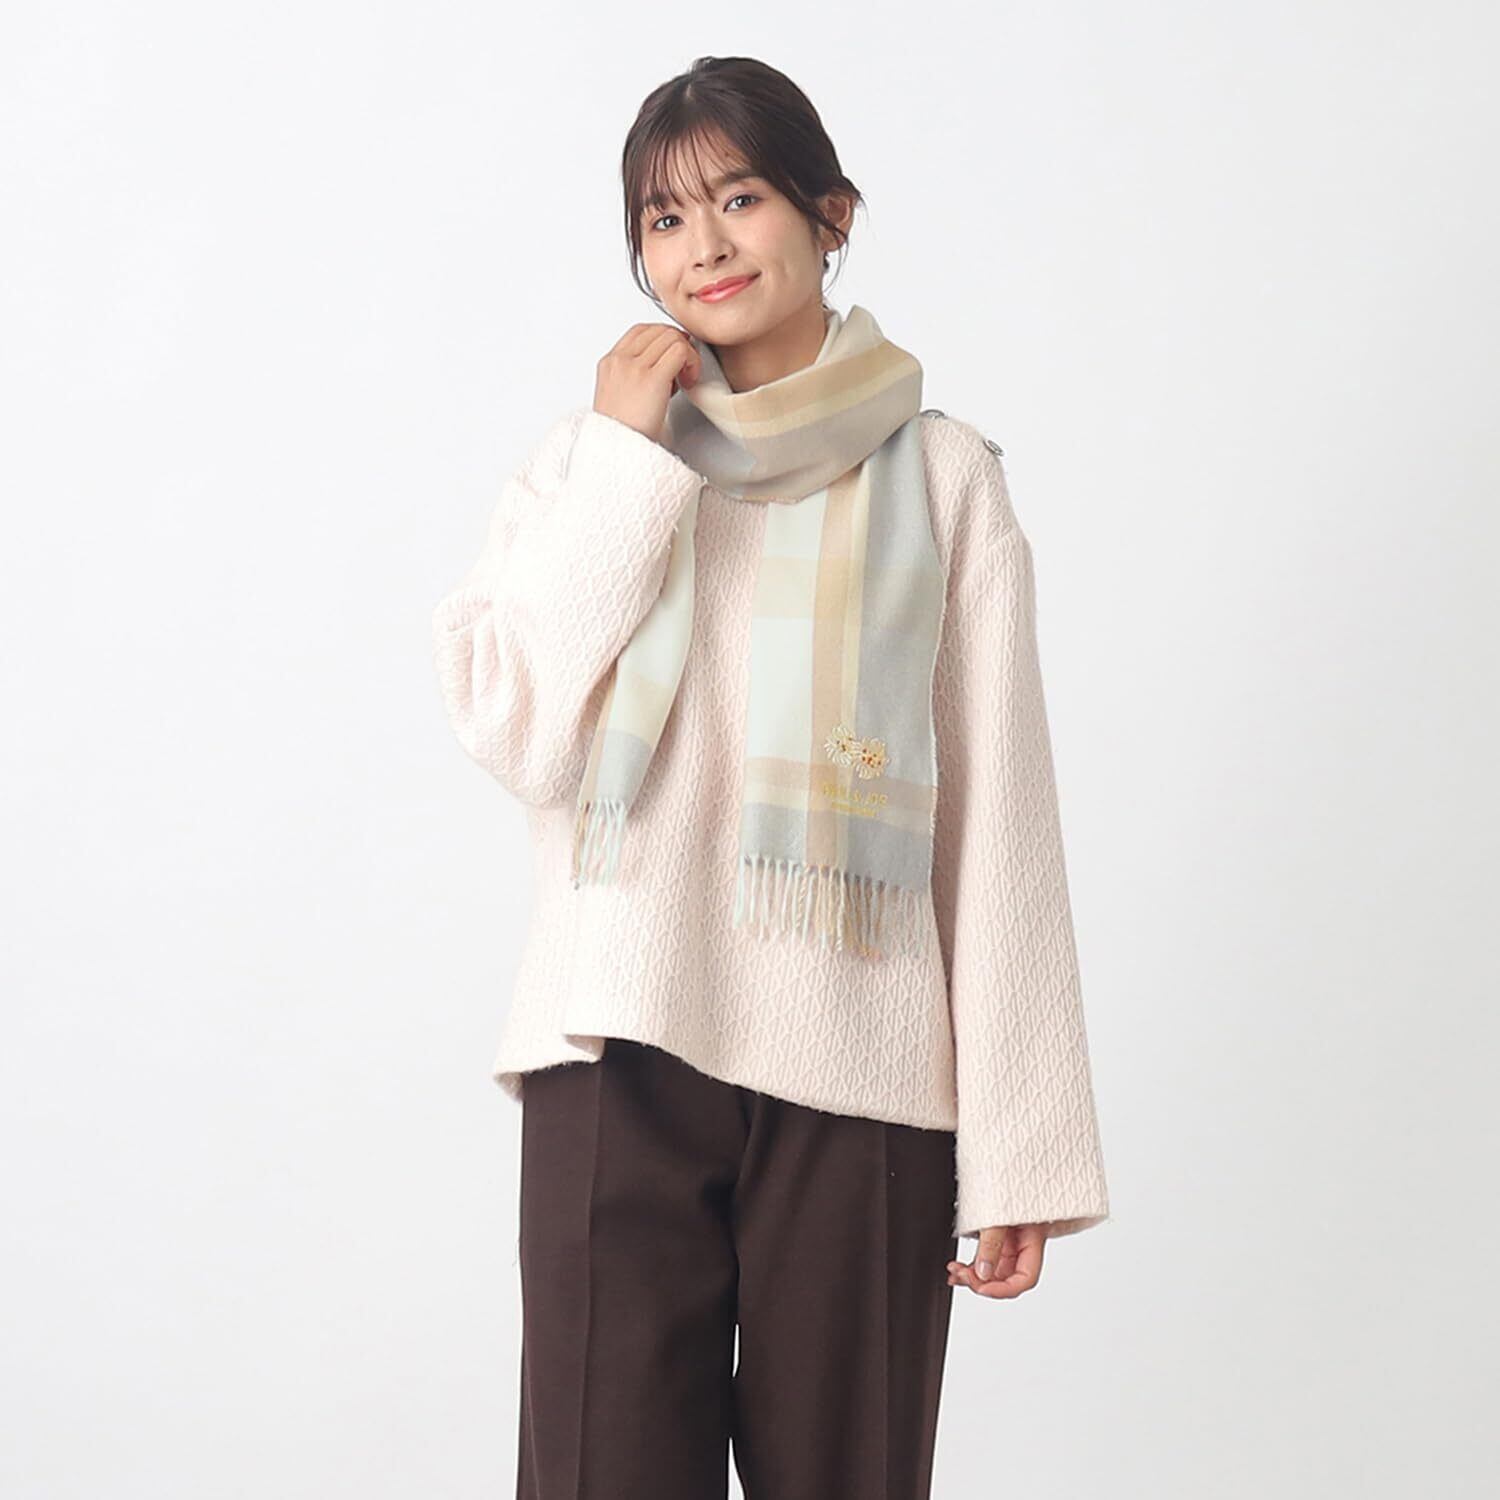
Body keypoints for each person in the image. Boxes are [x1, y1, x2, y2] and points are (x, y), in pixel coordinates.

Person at [430, 53, 1110, 1500]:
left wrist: (1025, 1148)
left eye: (739, 198)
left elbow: (1001, 820)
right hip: (619, 1045)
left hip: (860, 1074)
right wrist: (625, 461)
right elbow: (514, 726)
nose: (706, 246)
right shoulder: (592, 464)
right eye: (664, 219)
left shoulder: (944, 478)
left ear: (829, 213)